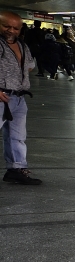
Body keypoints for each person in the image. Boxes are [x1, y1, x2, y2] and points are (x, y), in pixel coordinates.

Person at [0, 11, 40, 186]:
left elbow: (30, 66)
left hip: (18, 98)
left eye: (15, 28)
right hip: (1, 96)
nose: (11, 30)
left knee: (17, 136)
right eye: (6, 26)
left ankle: (16, 169)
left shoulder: (22, 45)